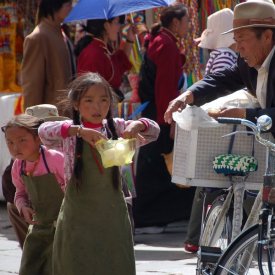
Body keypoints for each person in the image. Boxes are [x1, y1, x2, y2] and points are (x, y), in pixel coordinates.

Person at [164, 0, 275, 247]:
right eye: (235, 38)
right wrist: (187, 96)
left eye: (242, 38)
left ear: (267, 36)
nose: (238, 46)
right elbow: (221, 79)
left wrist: (245, 115)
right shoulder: (248, 62)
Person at [38, 72, 160, 275]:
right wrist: (79, 131)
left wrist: (139, 124)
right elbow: (43, 131)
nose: (97, 107)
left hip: (112, 212)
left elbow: (154, 131)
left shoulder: (117, 128)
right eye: (89, 101)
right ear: (76, 104)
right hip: (77, 213)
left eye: (104, 101)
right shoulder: (69, 133)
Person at [133, 3, 192, 228]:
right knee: (160, 168)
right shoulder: (165, 44)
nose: (188, 26)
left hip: (156, 114)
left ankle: (156, 217)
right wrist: (170, 121)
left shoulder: (161, 41)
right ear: (175, 23)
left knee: (157, 169)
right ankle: (151, 219)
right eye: (186, 21)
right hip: (161, 116)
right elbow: (165, 88)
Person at [184, 8, 238, 253]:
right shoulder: (227, 55)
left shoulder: (219, 55)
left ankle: (195, 236)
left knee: (206, 178)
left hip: (214, 118)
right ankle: (199, 235)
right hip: (222, 120)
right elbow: (223, 90)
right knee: (216, 177)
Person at [1, 113, 65, 275]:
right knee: (32, 265)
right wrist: (23, 207)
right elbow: (20, 192)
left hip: (65, 225)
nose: (16, 147)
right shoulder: (18, 166)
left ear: (38, 139)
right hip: (40, 225)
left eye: (22, 140)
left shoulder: (55, 159)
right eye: (10, 142)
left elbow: (74, 189)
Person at [21, 0, 74, 109]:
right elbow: (33, 86)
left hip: (63, 115)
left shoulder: (60, 32)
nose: (71, 8)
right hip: (50, 117)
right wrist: (32, 122)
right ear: (54, 6)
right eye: (68, 4)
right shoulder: (38, 37)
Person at [75, 17, 136, 101]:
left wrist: (129, 40)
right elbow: (90, 94)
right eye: (116, 23)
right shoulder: (93, 54)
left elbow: (119, 64)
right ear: (106, 26)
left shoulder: (102, 49)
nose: (119, 27)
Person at [2, 159, 28, 249]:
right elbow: (15, 192)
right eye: (10, 143)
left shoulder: (54, 157)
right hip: (32, 205)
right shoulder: (17, 163)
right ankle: (30, 253)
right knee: (13, 208)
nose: (15, 148)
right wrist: (22, 205)